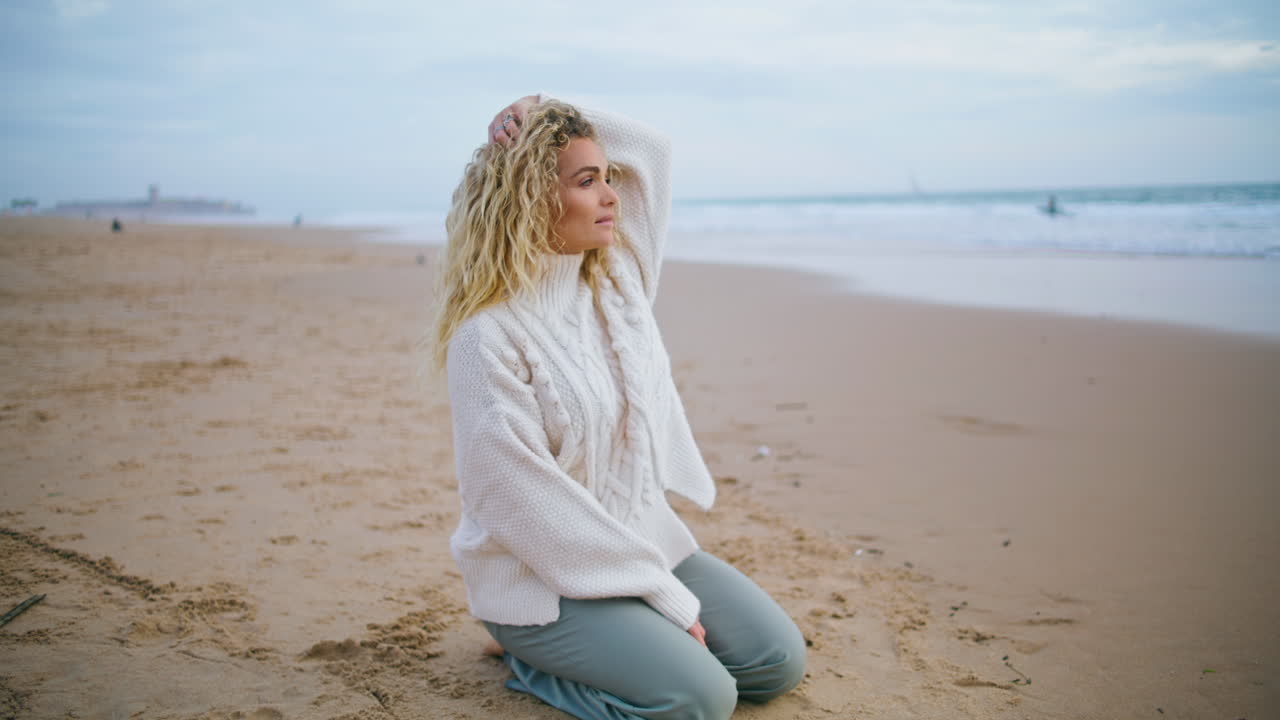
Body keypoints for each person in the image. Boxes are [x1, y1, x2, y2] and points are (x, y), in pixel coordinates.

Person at [428, 94, 807, 719]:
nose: (612, 196)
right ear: (529, 196)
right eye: (587, 181)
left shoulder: (617, 282)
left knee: (773, 661)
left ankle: (627, 642)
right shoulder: (486, 338)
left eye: (609, 178)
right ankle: (530, 661)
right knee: (703, 697)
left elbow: (651, 152)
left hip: (641, 542)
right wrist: (664, 596)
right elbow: (521, 503)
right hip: (542, 584)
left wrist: (544, 107)